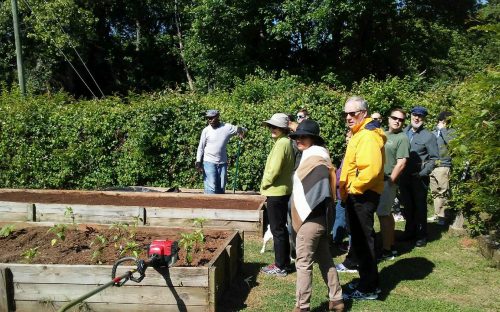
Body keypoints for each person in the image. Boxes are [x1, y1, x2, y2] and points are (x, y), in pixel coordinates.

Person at [289, 119, 344, 312]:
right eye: (297, 136)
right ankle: (336, 300)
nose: (299, 139)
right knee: (326, 260)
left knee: (303, 264)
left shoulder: (316, 160)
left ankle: (302, 307)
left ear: (313, 139)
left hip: (310, 220)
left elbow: (318, 192)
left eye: (303, 136)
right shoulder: (320, 157)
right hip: (321, 220)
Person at [339, 96, 386, 300]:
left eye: (353, 113)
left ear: (364, 113)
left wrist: (352, 188)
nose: (349, 117)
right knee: (359, 240)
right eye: (346, 113)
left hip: (362, 195)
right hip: (357, 194)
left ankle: (369, 288)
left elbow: (371, 171)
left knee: (364, 242)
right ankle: (365, 281)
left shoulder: (367, 135)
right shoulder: (359, 133)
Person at [260, 113, 295, 277]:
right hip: (282, 191)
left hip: (276, 192)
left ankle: (280, 266)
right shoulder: (286, 142)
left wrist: (264, 184)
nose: (272, 129)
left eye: (276, 127)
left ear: (284, 129)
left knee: (277, 229)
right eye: (271, 126)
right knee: (281, 228)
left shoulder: (281, 144)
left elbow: (274, 170)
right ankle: (285, 264)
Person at [399, 106, 439, 247]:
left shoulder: (429, 136)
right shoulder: (403, 132)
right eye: (415, 115)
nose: (417, 118)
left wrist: (422, 173)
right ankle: (409, 231)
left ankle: (421, 235)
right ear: (411, 116)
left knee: (420, 207)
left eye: (420, 116)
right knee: (407, 206)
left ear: (424, 119)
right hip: (403, 177)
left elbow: (434, 159)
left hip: (418, 178)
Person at [376, 109, 409, 261]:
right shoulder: (383, 134)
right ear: (388, 119)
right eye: (394, 118)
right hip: (378, 180)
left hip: (388, 181)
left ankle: (386, 250)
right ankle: (391, 244)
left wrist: (390, 181)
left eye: (401, 120)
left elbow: (401, 163)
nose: (397, 121)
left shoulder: (402, 138)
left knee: (383, 214)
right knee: (386, 214)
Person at [195, 109, 246, 194]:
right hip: (209, 162)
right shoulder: (206, 130)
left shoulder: (226, 128)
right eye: (208, 118)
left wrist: (241, 131)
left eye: (212, 118)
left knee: (221, 188)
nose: (210, 120)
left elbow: (243, 130)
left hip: (223, 163)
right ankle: (209, 206)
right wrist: (198, 161)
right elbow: (201, 147)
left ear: (218, 117)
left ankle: (219, 206)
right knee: (211, 188)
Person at [429, 111, 455, 225]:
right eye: (440, 121)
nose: (441, 123)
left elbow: (452, 144)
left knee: (443, 191)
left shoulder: (451, 132)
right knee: (435, 192)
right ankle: (436, 214)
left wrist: (443, 130)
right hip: (433, 166)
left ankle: (443, 216)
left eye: (444, 121)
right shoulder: (433, 133)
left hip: (444, 165)